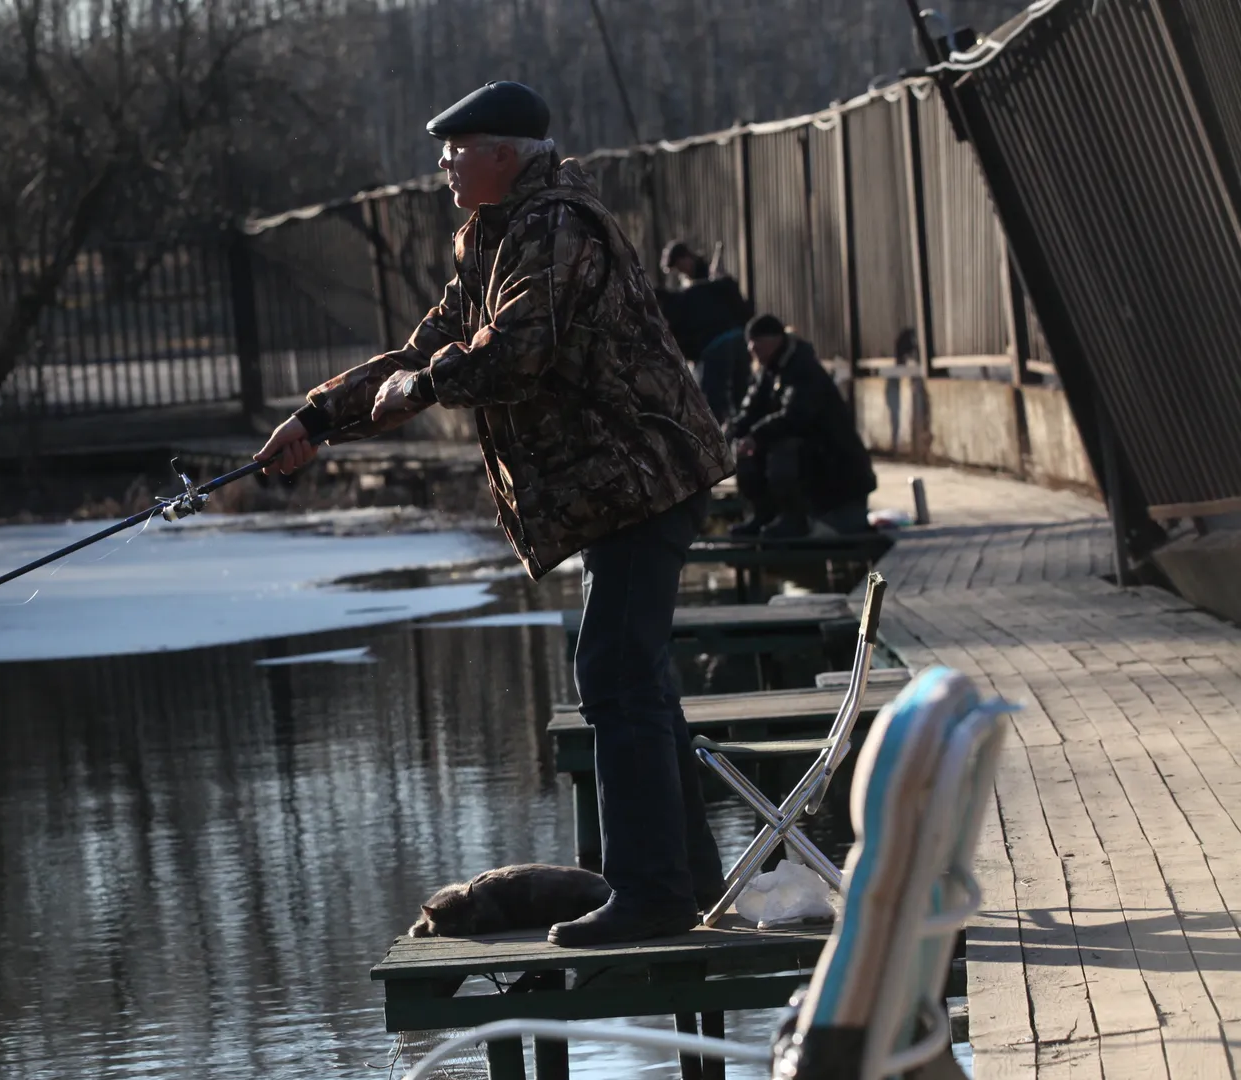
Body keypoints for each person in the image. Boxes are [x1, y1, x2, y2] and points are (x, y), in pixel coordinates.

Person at [257, 81, 733, 945]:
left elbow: (511, 353)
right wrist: (320, 417)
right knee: (638, 679)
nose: (441, 163)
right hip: (621, 487)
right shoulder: (499, 237)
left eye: (456, 148)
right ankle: (686, 882)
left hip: (643, 476)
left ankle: (655, 895)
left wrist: (425, 386)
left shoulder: (553, 227)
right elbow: (425, 345)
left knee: (615, 674)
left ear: (504, 154)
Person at [725, 315, 878, 538]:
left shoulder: (803, 368)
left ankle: (794, 518)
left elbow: (796, 416)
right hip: (811, 461)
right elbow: (750, 412)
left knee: (782, 448)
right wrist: (729, 434)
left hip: (833, 467)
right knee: (746, 450)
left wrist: (756, 436)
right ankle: (763, 514)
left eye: (756, 341)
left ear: (774, 340)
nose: (751, 348)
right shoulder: (769, 371)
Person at [658, 240, 752, 365]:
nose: (680, 270)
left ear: (687, 257)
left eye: (679, 265)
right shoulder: (686, 285)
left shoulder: (710, 277)